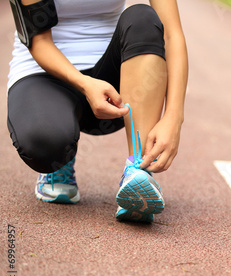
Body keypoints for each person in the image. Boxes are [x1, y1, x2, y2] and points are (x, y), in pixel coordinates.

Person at [7, 0, 188, 223]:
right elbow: (39, 40)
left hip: (115, 82)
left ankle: (137, 171)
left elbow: (172, 35)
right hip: (45, 73)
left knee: (144, 17)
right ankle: (60, 162)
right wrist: (84, 83)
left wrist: (174, 115)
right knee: (43, 142)